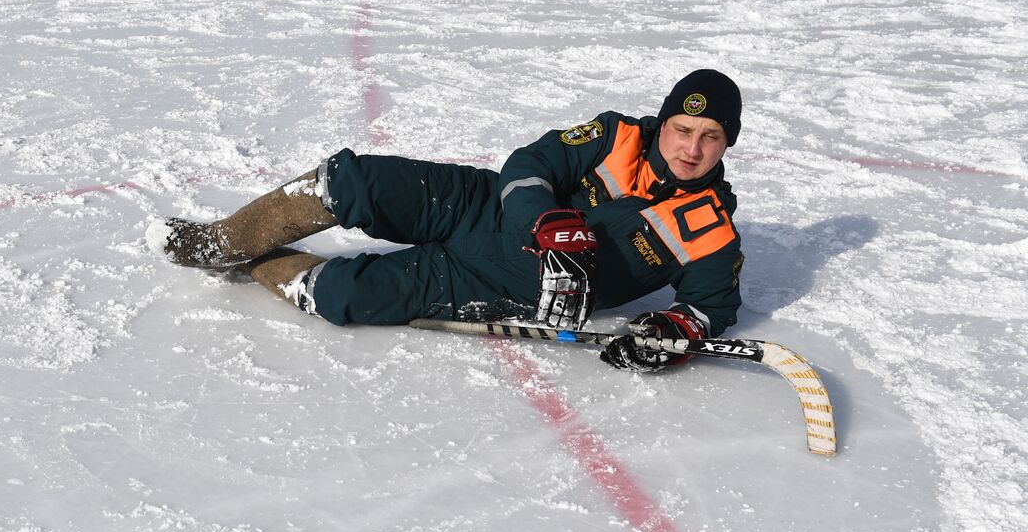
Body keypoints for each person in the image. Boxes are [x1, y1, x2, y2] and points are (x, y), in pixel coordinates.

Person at [160, 69, 746, 373]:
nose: (690, 148)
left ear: (726, 145)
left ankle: (260, 261)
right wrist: (544, 220)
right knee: (354, 181)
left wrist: (679, 332)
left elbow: (711, 306)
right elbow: (530, 164)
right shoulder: (617, 135)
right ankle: (218, 243)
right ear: (664, 122)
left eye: (709, 137)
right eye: (682, 129)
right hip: (480, 204)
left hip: (499, 284)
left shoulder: (712, 230)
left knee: (339, 292)